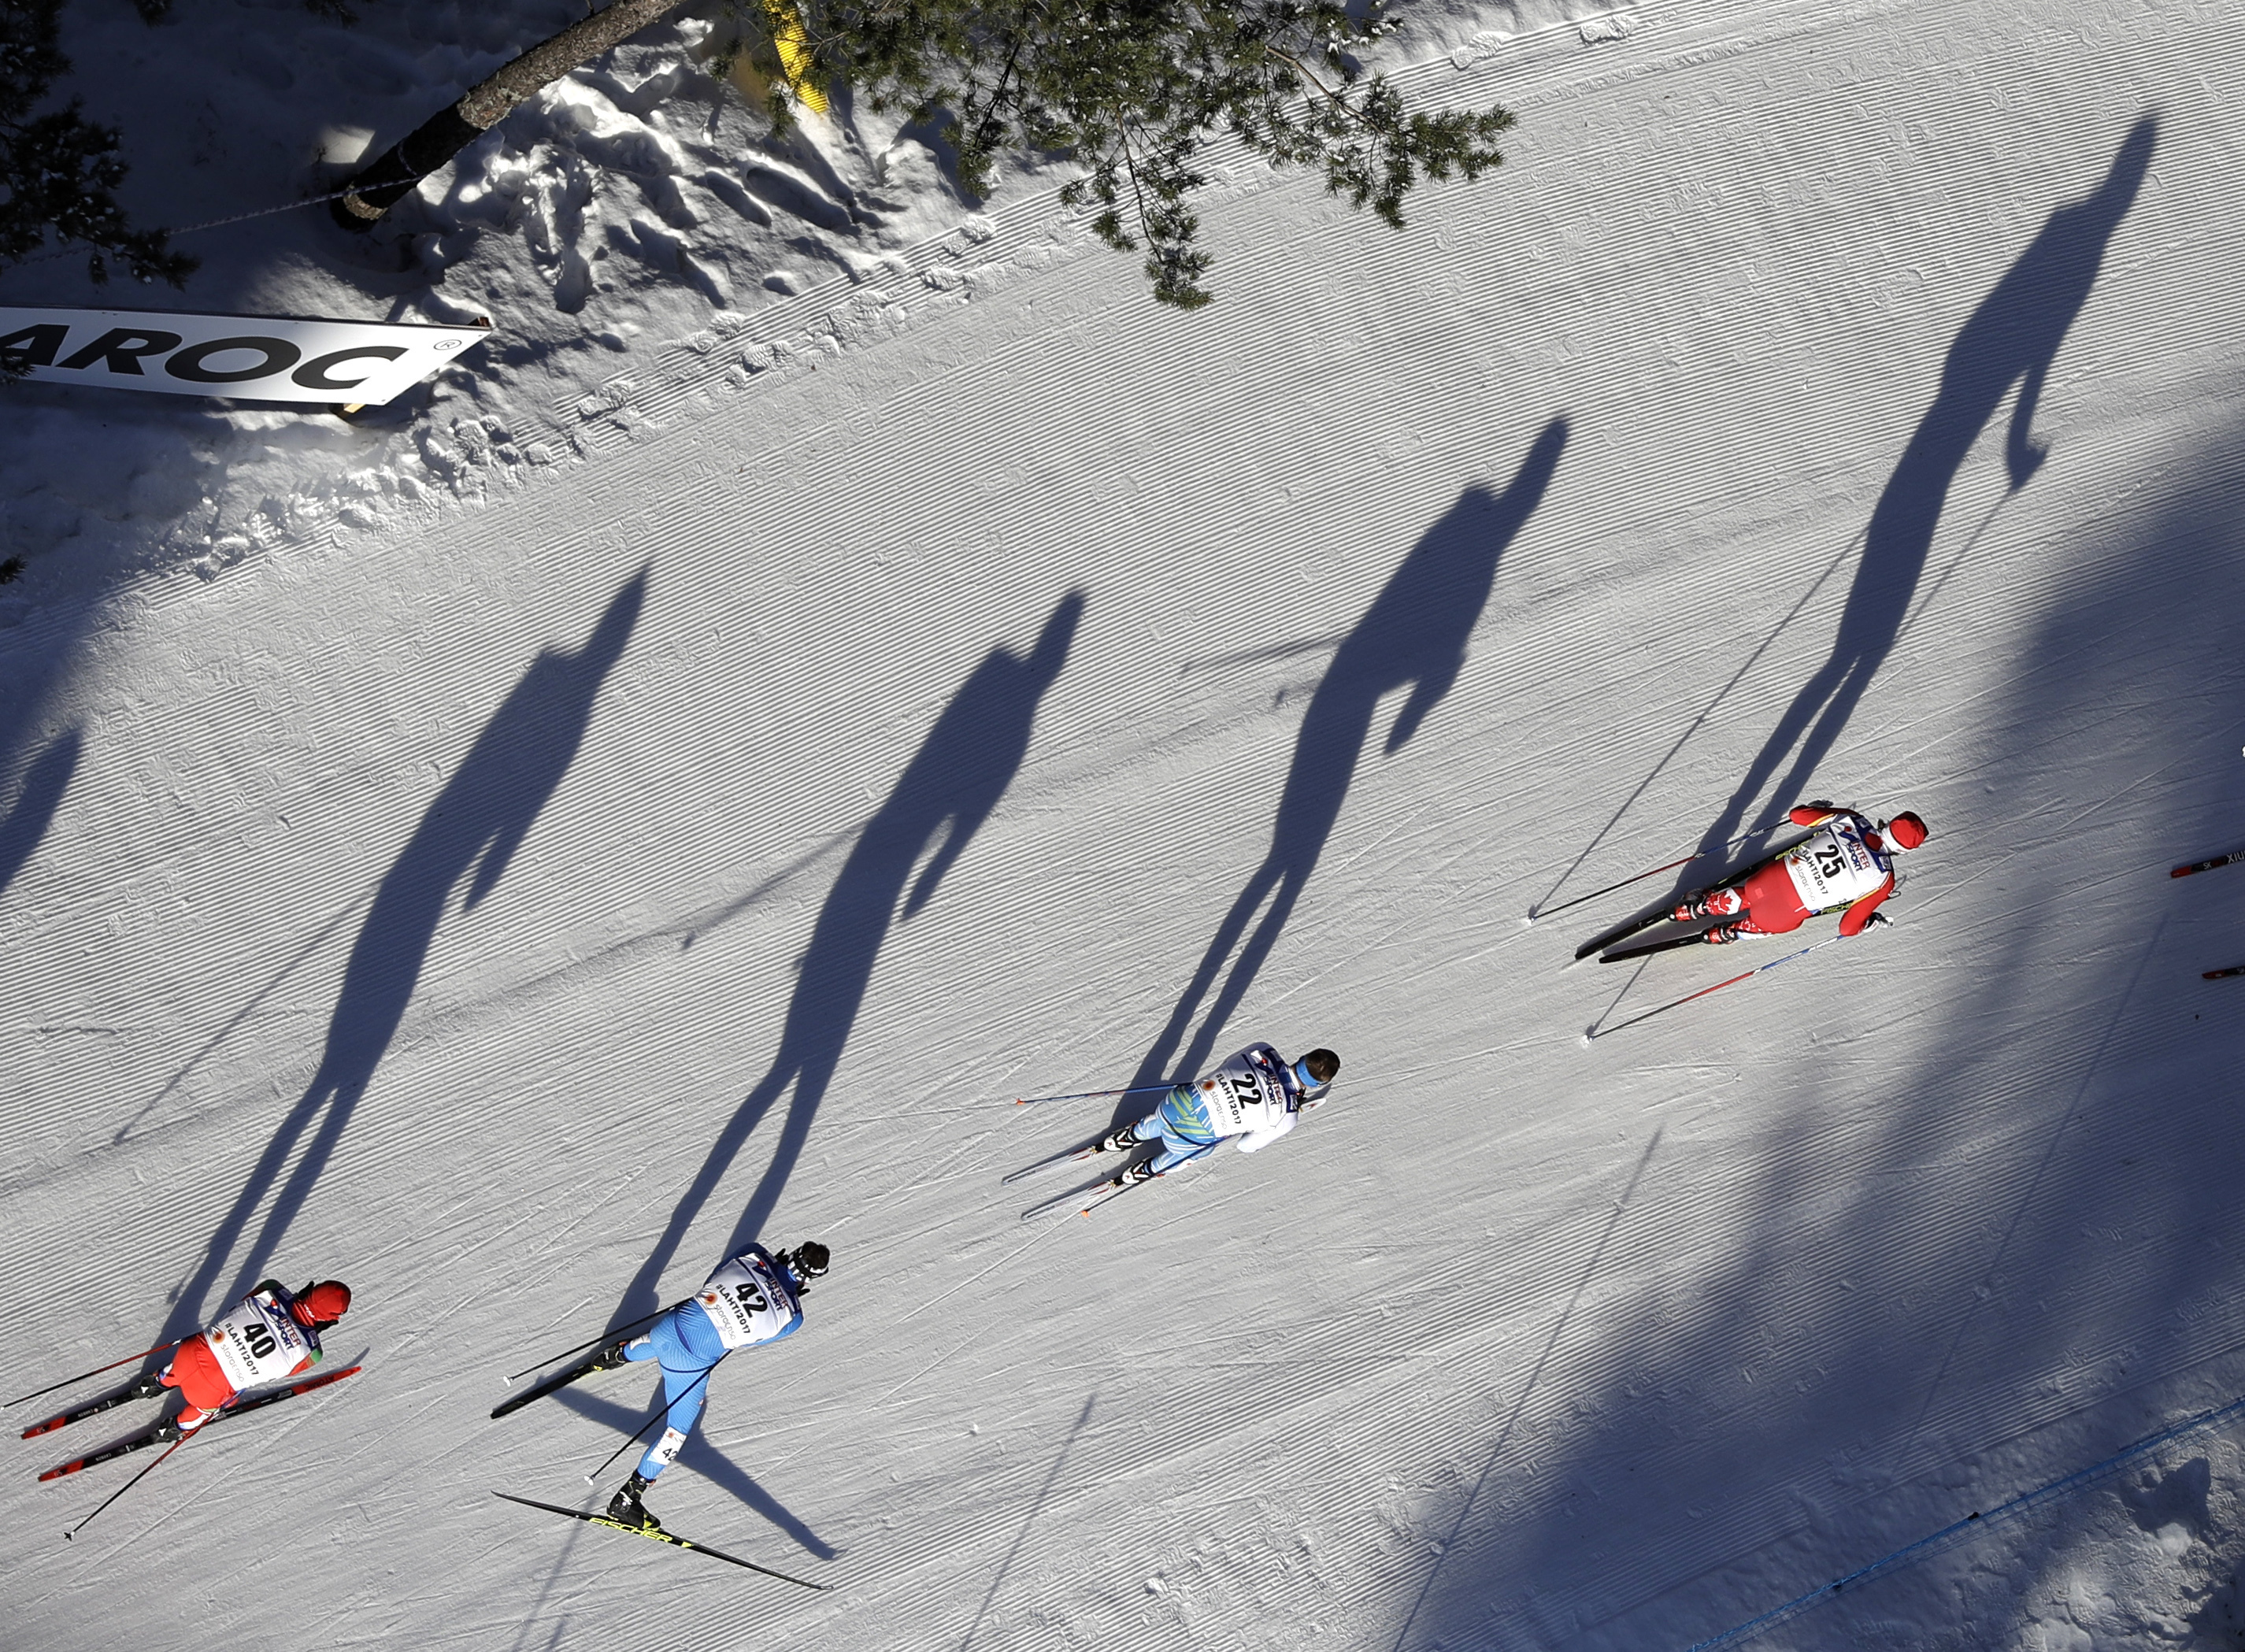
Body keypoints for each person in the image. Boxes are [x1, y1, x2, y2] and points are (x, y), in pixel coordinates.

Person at [599, 1241, 829, 1530]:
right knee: (675, 1433)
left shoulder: (754, 1253)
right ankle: (627, 1499)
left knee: (667, 1337)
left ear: (795, 1252)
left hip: (668, 1328)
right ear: (812, 1278)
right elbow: (752, 1340)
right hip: (689, 1366)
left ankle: (616, 1355)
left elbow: (715, 1276)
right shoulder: (793, 1318)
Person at [1673, 802, 1928, 943]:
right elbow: (1847, 928)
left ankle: (1698, 907)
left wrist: (1818, 809)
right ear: (1905, 850)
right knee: (1767, 921)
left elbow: (1797, 815)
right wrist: (1868, 923)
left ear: (1891, 823)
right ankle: (1726, 933)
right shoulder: (1884, 879)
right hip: (1785, 913)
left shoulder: (1853, 821)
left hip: (1769, 879)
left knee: (1749, 894)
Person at [1095, 1045, 1339, 1187]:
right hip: (1189, 1139)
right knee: (1201, 1149)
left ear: (1303, 1057)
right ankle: (1145, 1170)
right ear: (1317, 1084)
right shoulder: (1287, 1117)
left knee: (1167, 1117)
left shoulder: (1263, 1050)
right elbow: (1245, 1146)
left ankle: (1129, 1136)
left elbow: (1226, 1063)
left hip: (1174, 1102)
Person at [146, 1279, 352, 1441]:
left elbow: (237, 1306)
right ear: (331, 1318)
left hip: (188, 1354)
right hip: (210, 1392)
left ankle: (156, 1383)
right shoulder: (313, 1353)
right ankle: (174, 1429)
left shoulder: (272, 1288)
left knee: (190, 1360)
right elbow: (278, 1374)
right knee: (211, 1406)